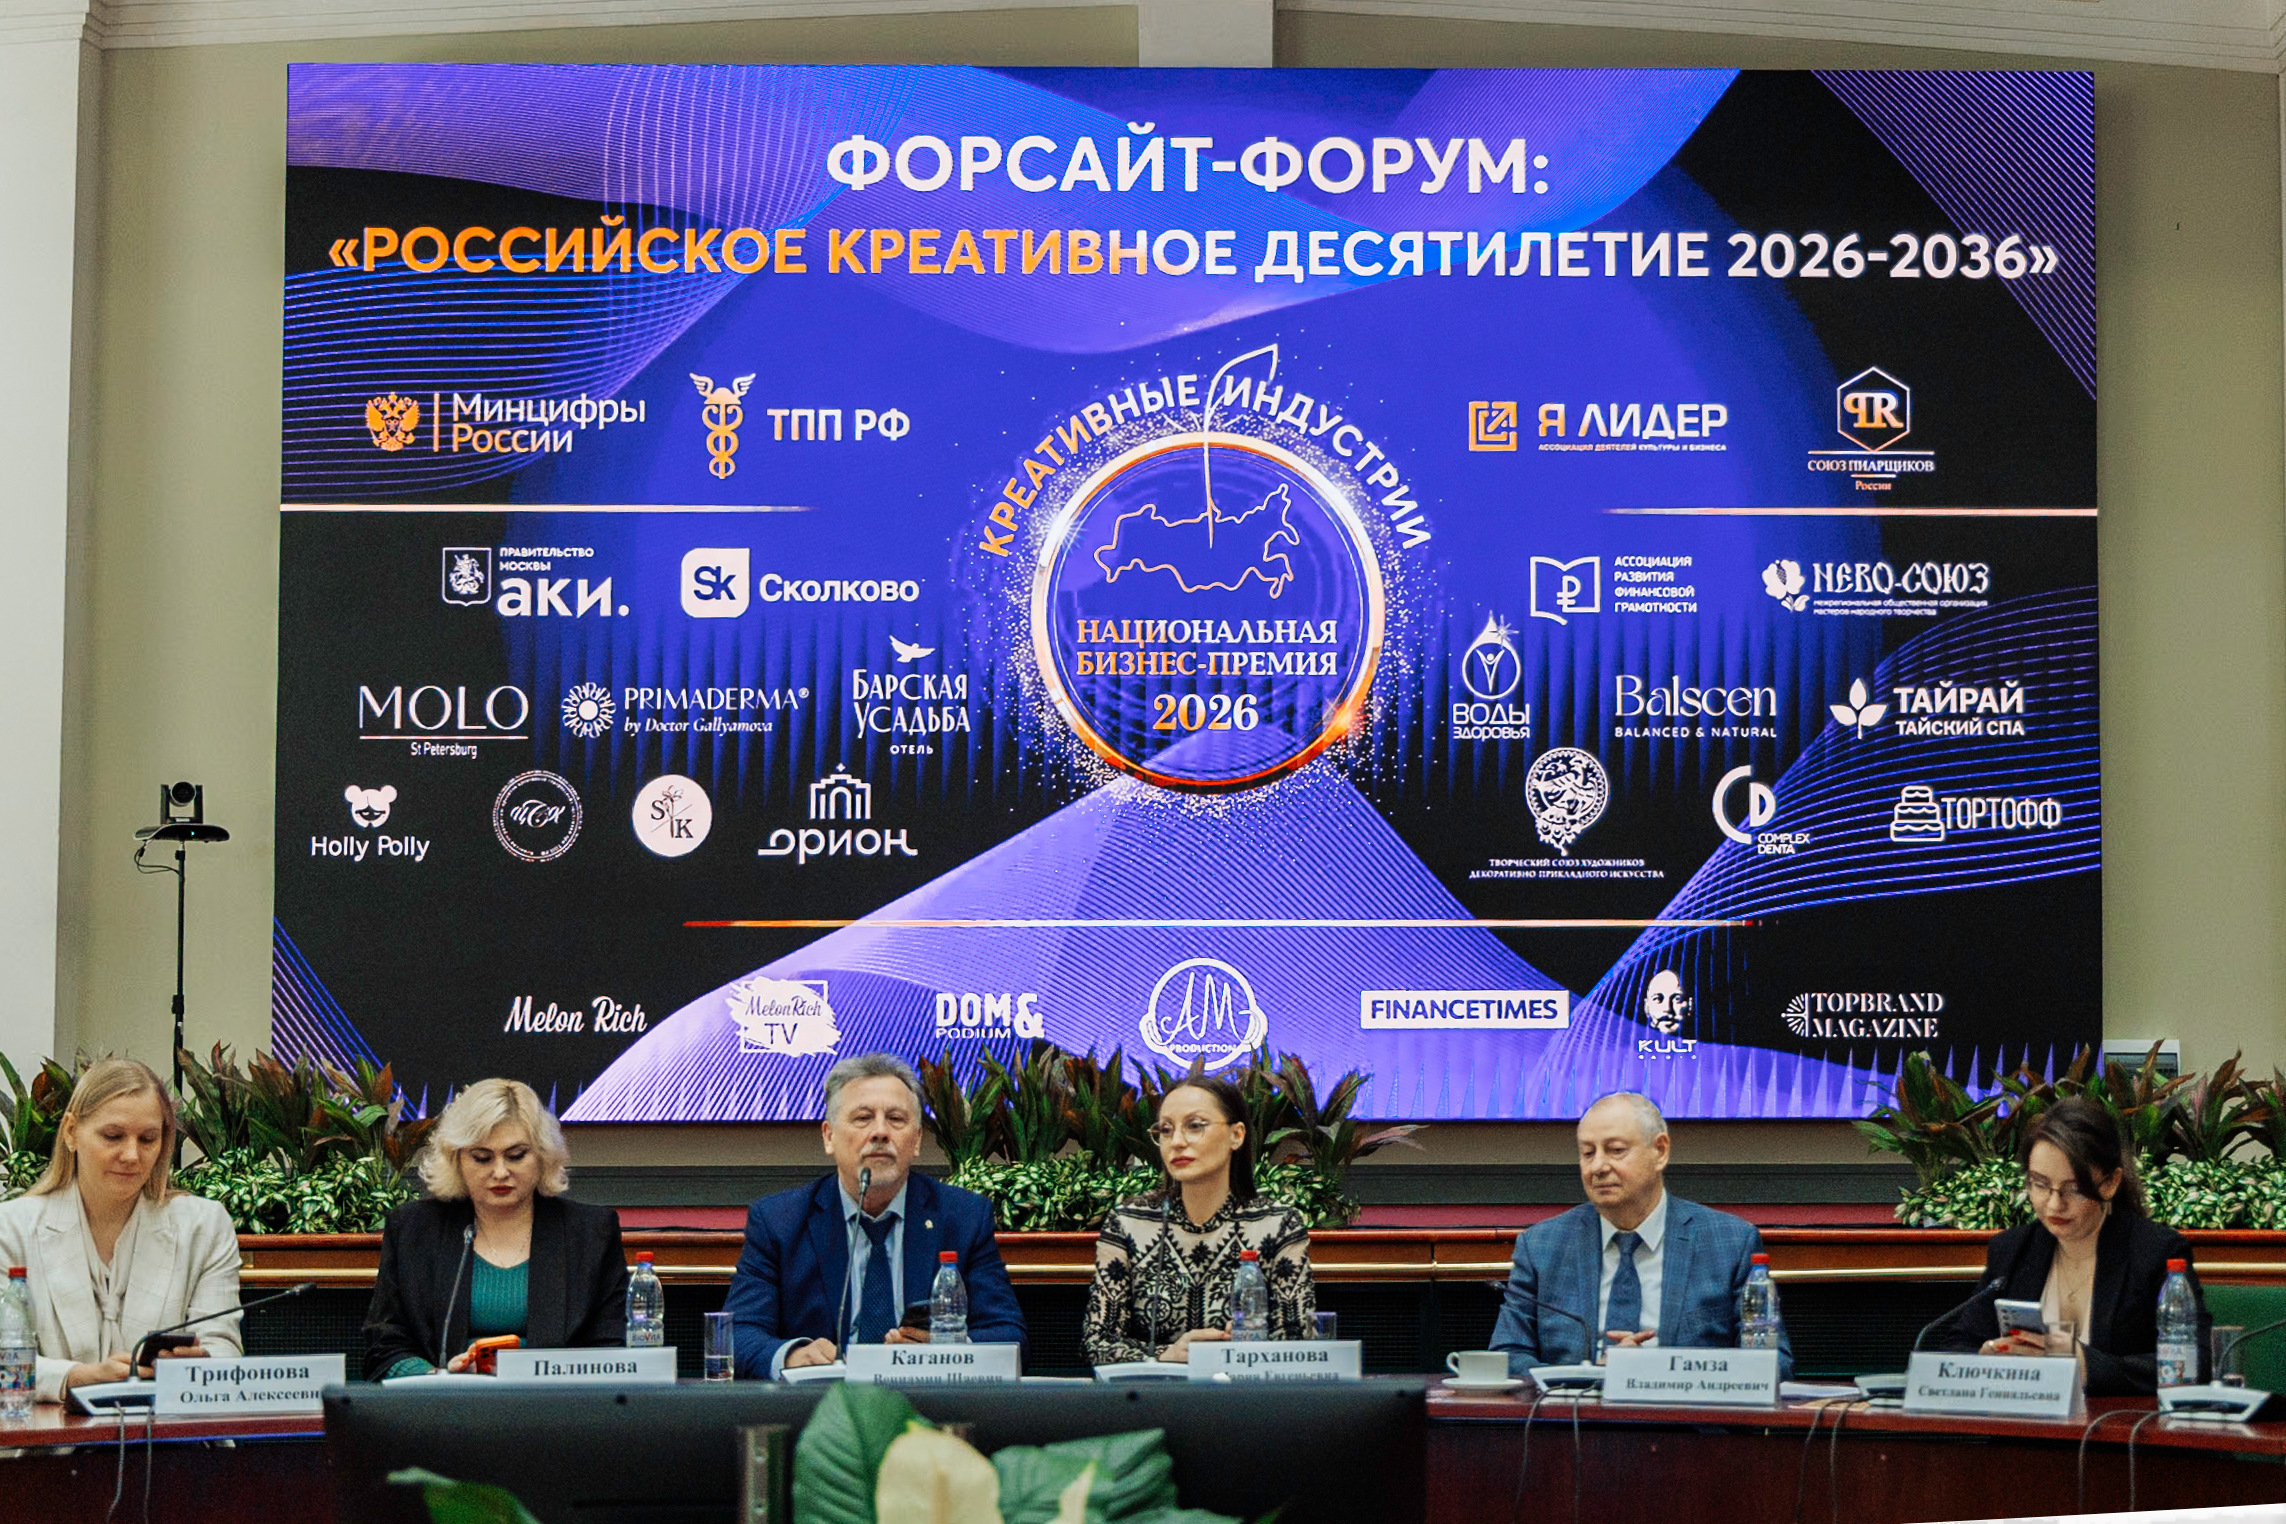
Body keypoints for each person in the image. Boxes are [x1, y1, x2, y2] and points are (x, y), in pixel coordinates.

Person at [725, 1054, 1025, 1378]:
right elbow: (738, 1334)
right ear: (829, 1136)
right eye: (863, 1118)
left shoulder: (963, 1218)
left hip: (926, 1399)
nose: (880, 1132)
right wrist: (792, 1355)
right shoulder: (779, 1222)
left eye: (895, 1119)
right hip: (823, 1402)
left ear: (917, 1140)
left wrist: (949, 1351)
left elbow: (1010, 1336)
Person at [1492, 1091, 1792, 1377]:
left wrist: (1656, 1375)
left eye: (1616, 1150)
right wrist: (1588, 1379)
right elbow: (1507, 1356)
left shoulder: (1730, 1243)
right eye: (1587, 1153)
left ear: (1660, 1151)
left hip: (1685, 1413)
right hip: (1572, 1411)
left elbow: (1773, 1363)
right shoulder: (1542, 1246)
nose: (1598, 1166)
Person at [1929, 1096, 2207, 1396]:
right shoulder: (2012, 1250)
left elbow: (2196, 1365)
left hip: (2115, 1423)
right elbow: (1957, 1345)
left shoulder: (2155, 1252)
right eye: (2040, 1184)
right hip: (2023, 1420)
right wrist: (1983, 1358)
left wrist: (2087, 1366)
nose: (2054, 1204)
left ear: (2110, 1183)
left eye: (2073, 1189)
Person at [0, 1057, 242, 1401]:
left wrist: (201, 1364)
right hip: (50, 1433)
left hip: (166, 1430)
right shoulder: (10, 1229)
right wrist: (73, 1378)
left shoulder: (204, 1226)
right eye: (113, 1136)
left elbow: (225, 1353)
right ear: (71, 1132)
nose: (131, 1155)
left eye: (147, 1139)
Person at [364, 1078, 628, 1378]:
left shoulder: (591, 1233)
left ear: (542, 1155)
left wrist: (532, 1375)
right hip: (446, 1402)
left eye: (516, 1156)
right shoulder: (414, 1230)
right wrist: (437, 1379)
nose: (500, 1172)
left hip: (555, 1400)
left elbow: (610, 1351)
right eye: (482, 1158)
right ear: (456, 1160)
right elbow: (384, 1347)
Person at [1082, 1074, 1316, 1364]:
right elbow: (1098, 1343)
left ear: (1236, 1135)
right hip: (1153, 1389)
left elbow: (1299, 1344)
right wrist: (1166, 1355)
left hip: (1245, 1387)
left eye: (1194, 1126)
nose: (1177, 1142)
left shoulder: (1278, 1225)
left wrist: (1242, 1348)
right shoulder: (1129, 1222)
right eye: (1165, 1130)